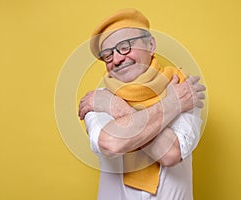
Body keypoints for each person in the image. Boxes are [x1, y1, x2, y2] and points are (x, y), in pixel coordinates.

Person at [78, 8, 206, 200]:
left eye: (125, 46)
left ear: (151, 45)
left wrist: (119, 109)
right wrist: (173, 104)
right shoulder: (98, 99)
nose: (118, 59)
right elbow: (111, 142)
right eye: (108, 55)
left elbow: (170, 153)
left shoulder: (183, 88)